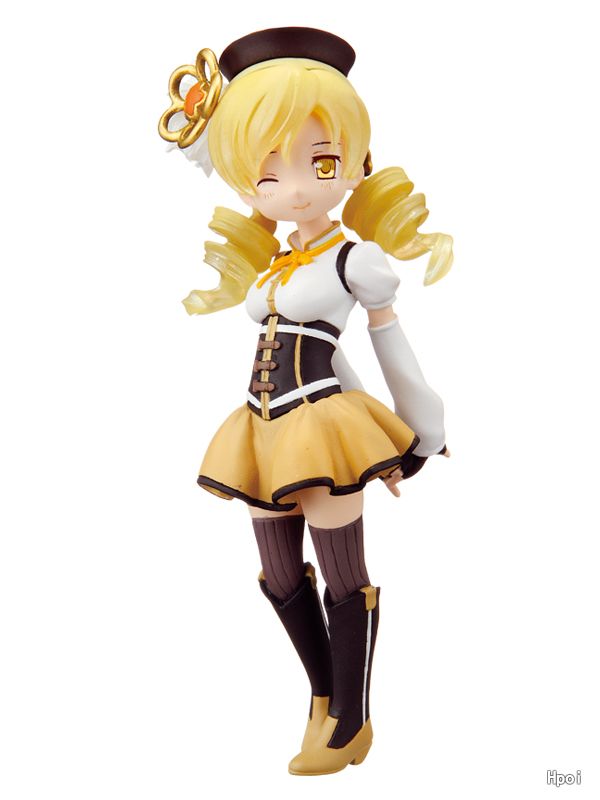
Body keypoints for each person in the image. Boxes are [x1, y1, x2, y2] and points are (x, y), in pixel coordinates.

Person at [159, 26, 452, 775]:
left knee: (343, 574)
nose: (294, 187)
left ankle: (352, 719)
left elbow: (384, 341)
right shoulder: (272, 266)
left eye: (320, 162)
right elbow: (333, 354)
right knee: (280, 574)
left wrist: (413, 432)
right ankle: (323, 694)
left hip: (320, 427)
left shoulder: (357, 260)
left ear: (353, 162)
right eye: (268, 171)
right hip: (261, 430)